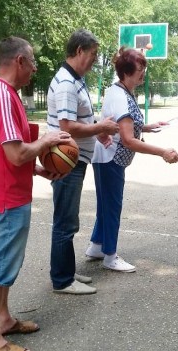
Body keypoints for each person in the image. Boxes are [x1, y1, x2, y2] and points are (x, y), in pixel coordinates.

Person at [0, 36, 74, 351]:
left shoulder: (6, 95)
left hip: (8, 193)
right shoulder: (2, 95)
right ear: (19, 61)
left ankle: (3, 320)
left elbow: (9, 154)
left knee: (6, 266)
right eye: (31, 62)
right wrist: (46, 142)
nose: (34, 68)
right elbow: (15, 154)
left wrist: (38, 170)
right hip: (5, 198)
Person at [85, 47, 178, 272]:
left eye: (144, 68)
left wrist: (147, 126)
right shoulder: (121, 96)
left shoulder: (122, 91)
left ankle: (97, 246)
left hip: (110, 159)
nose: (143, 74)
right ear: (126, 72)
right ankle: (110, 256)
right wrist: (162, 152)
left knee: (106, 205)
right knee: (112, 207)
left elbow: (123, 126)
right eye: (139, 69)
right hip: (111, 159)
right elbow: (127, 139)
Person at [47, 29, 119, 294]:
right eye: (92, 54)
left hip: (73, 158)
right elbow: (67, 126)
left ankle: (65, 270)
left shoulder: (74, 80)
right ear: (79, 51)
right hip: (66, 160)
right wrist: (100, 126)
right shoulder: (67, 82)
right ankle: (62, 280)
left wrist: (97, 131)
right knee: (66, 222)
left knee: (68, 219)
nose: (94, 60)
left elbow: (79, 122)